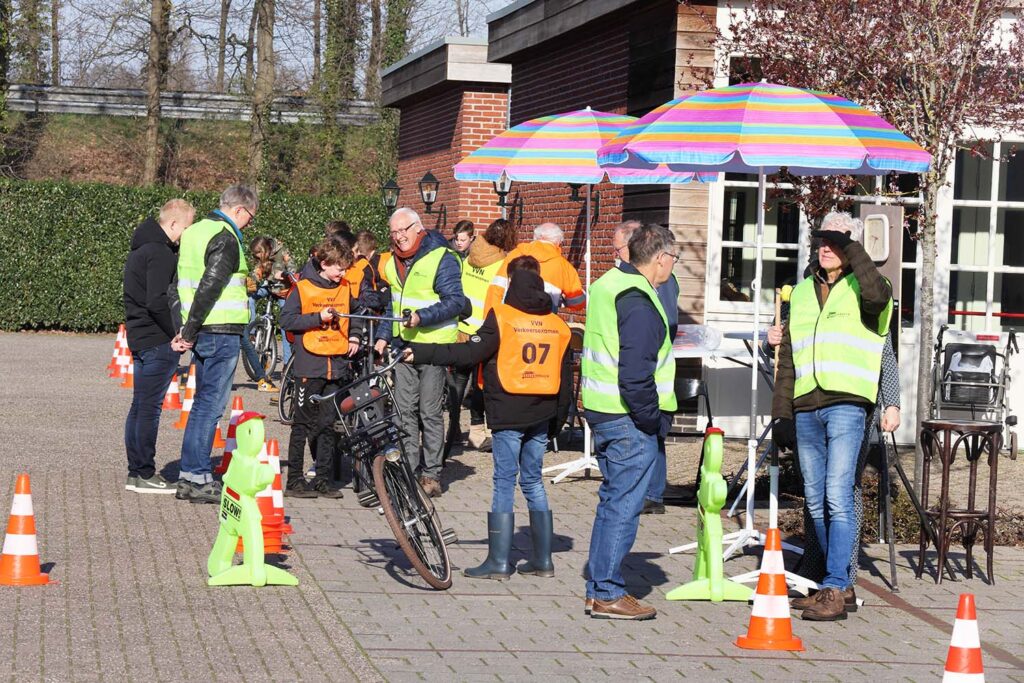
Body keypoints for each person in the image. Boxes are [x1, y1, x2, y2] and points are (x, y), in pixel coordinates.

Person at [404, 256, 572, 579]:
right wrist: (557, 424)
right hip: (541, 414)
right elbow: (566, 382)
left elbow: (468, 353)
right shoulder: (558, 324)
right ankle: (543, 560)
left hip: (509, 412)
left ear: (511, 285)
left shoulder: (503, 317)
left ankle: (498, 561)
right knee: (534, 482)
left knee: (504, 483)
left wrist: (423, 353)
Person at [771, 211, 893, 622]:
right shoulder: (803, 292)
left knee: (839, 497)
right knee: (819, 501)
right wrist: (781, 414)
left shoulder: (869, 287)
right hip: (807, 406)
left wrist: (850, 244)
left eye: (834, 241)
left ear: (852, 248)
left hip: (846, 404)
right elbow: (788, 357)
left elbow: (878, 298)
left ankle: (836, 586)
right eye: (820, 240)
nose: (825, 247)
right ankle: (836, 584)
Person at [581, 224, 678, 620]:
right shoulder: (638, 301)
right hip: (627, 417)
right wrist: (652, 419)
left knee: (612, 501)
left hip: (603, 409)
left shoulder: (609, 283)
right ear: (660, 258)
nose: (674, 265)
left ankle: (599, 588)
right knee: (623, 505)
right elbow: (635, 374)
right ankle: (606, 591)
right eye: (674, 258)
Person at [374, 207, 466, 497]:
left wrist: (422, 317)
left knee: (429, 411)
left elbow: (456, 302)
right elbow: (394, 304)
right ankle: (409, 472)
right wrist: (382, 336)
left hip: (433, 346)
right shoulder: (391, 262)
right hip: (403, 346)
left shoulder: (442, 257)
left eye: (403, 230)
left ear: (418, 227)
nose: (399, 237)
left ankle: (431, 474)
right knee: (403, 412)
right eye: (394, 232)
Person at [176, 184, 259, 503]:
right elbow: (210, 286)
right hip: (220, 330)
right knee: (210, 406)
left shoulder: (194, 232)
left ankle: (188, 475)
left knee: (200, 404)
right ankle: (197, 476)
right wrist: (191, 329)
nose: (249, 224)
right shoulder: (225, 237)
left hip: (201, 329)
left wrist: (186, 328)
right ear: (239, 210)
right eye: (250, 217)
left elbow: (180, 284)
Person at [280, 236, 362, 498]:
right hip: (310, 365)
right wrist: (318, 317)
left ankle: (323, 479)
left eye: (345, 268)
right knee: (302, 424)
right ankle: (294, 480)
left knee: (328, 424)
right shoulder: (303, 289)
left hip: (336, 364)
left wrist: (355, 336)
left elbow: (356, 315)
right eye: (339, 268)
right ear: (325, 263)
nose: (342, 273)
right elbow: (287, 320)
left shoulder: (345, 287)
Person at [122, 199, 195, 494]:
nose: (188, 234)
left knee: (140, 406)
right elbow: (157, 300)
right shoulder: (161, 253)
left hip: (140, 336)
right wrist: (177, 333)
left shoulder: (141, 248)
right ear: (175, 224)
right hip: (157, 340)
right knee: (149, 409)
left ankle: (136, 471)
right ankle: (145, 473)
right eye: (188, 227)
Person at [612, 220, 680, 516]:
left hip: (651, 376)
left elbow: (664, 321)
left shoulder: (655, 283)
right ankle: (651, 490)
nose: (616, 255)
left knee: (653, 433)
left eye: (618, 249)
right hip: (641, 378)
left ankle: (653, 491)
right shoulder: (625, 281)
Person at [451, 218, 518, 453]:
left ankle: (451, 429)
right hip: (484, 330)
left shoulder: (471, 254)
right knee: (481, 383)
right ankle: (479, 432)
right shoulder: (503, 262)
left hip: (461, 326)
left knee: (459, 380)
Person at [484, 222, 586, 314]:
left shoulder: (515, 254)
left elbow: (496, 289)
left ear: (535, 237)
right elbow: (578, 303)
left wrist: (490, 320)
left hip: (511, 320)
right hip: (543, 325)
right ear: (558, 242)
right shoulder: (564, 266)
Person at [244, 235, 296, 392]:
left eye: (258, 253)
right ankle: (252, 333)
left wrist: (285, 275)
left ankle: (287, 367)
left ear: (265, 249)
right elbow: (257, 272)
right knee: (249, 299)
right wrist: (250, 281)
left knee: (285, 325)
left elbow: (293, 268)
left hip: (283, 291)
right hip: (268, 287)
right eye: (255, 254)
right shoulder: (261, 258)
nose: (257, 257)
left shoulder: (282, 251)